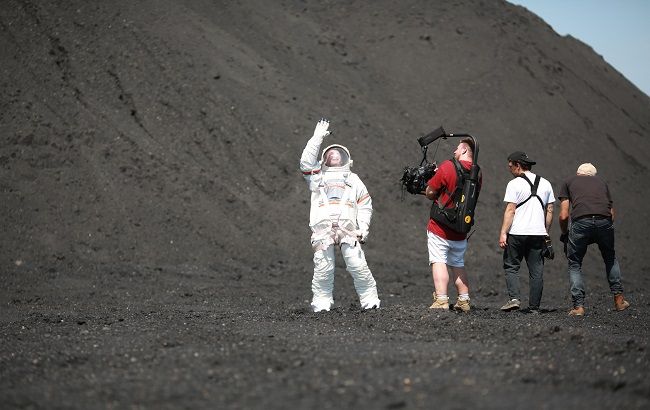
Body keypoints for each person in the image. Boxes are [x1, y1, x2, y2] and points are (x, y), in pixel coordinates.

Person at [299, 118, 380, 312]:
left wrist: (363, 228)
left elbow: (365, 204)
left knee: (357, 264)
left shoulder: (353, 179)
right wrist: (317, 138)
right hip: (323, 230)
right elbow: (305, 162)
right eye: (331, 154)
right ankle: (321, 302)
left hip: (348, 229)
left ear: (346, 159)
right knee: (323, 268)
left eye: (337, 154)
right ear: (324, 158)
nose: (334, 156)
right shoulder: (317, 177)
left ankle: (370, 301)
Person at [558, 163, 630, 316]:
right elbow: (611, 211)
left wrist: (565, 234)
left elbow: (564, 215)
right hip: (604, 220)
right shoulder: (602, 183)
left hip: (581, 221)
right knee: (610, 257)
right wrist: (607, 226)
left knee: (575, 263)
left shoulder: (569, 181)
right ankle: (619, 300)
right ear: (593, 175)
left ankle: (578, 307)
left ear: (578, 173)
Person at [424, 137, 478, 312]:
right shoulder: (478, 173)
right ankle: (464, 300)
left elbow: (430, 192)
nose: (454, 151)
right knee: (457, 262)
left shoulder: (447, 167)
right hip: (461, 228)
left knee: (438, 261)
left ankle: (441, 300)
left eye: (457, 148)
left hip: (441, 227)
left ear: (463, 150)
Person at [498, 151, 555, 313]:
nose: (509, 169)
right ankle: (534, 307)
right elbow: (550, 210)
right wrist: (546, 231)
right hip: (538, 233)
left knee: (511, 266)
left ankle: (514, 299)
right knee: (536, 271)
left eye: (510, 166)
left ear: (518, 165)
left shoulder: (514, 184)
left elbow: (510, 210)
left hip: (517, 232)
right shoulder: (546, 183)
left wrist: (503, 232)